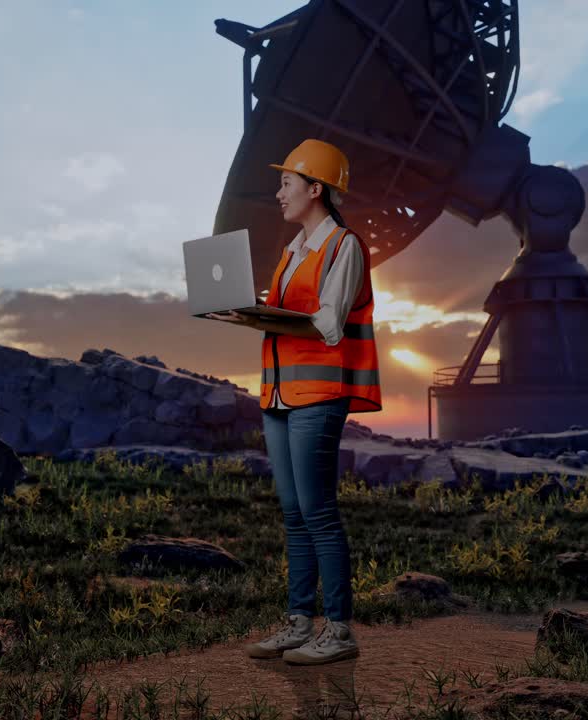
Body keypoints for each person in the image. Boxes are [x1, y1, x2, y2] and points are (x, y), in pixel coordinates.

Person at [206, 138, 381, 666]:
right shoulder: (293, 251)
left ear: (315, 189)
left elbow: (328, 324)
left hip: (318, 394)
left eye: (286, 183)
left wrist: (263, 316)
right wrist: (245, 313)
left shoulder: (343, 246)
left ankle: (339, 630)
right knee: (293, 513)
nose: (278, 193)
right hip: (279, 394)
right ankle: (300, 622)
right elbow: (288, 317)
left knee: (318, 511)